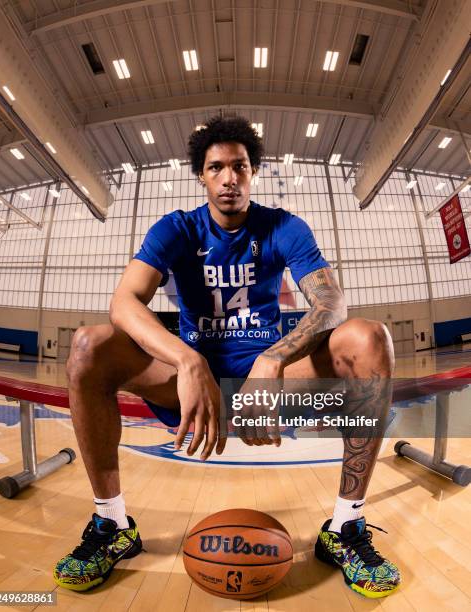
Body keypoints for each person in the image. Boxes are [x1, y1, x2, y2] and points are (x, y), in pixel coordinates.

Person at [54, 116, 400, 598]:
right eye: (217, 167)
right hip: (191, 382)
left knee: (370, 338)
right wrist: (187, 361)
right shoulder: (177, 229)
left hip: (270, 383)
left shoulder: (283, 226)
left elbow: (331, 303)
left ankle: (345, 528)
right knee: (89, 345)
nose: (229, 177)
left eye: (239, 166)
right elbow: (124, 302)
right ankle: (112, 525)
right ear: (201, 175)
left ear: (253, 171)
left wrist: (272, 361)